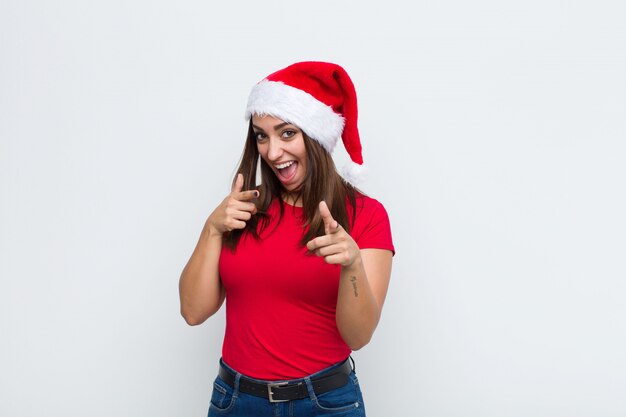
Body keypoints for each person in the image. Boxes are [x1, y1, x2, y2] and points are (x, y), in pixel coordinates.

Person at [179, 61, 395, 417]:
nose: (272, 152)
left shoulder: (366, 216)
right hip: (236, 400)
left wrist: (352, 264)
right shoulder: (243, 210)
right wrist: (212, 229)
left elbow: (358, 337)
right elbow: (192, 312)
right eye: (261, 136)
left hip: (325, 404)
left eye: (287, 133)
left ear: (316, 134)